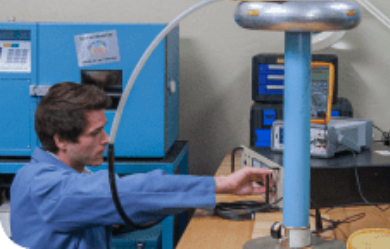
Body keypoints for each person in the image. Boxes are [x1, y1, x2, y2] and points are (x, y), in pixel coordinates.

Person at [10, 82, 273, 249]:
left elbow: (130, 203)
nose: (106, 139)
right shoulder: (46, 186)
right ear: (61, 140)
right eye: (95, 133)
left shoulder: (60, 173)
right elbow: (130, 192)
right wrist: (221, 184)